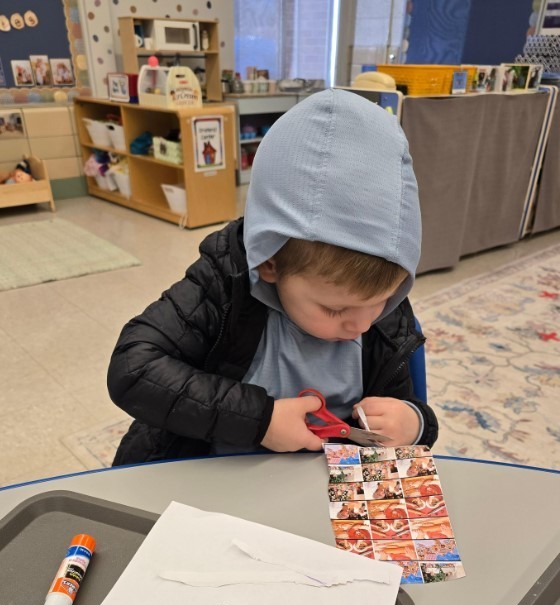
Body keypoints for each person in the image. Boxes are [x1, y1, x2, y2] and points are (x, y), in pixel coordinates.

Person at [107, 89, 439, 465]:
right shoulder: (223, 286)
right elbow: (133, 368)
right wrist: (259, 420)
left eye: (380, 300)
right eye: (334, 309)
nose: (361, 324)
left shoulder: (382, 316)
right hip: (210, 480)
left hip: (323, 497)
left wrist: (414, 423)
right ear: (269, 262)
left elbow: (406, 410)